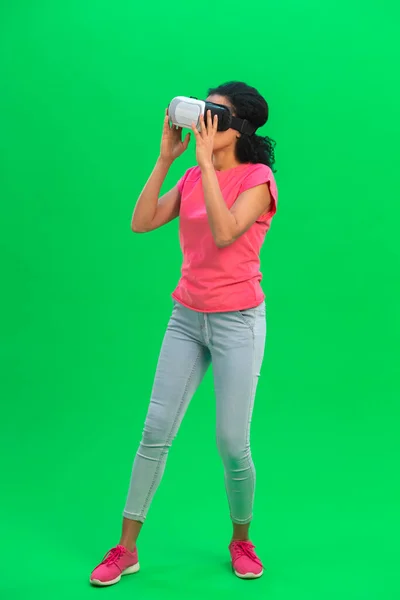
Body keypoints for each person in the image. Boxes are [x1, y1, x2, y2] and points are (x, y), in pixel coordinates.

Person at [90, 81, 278, 586]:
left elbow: (223, 232)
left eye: (213, 113)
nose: (202, 119)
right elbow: (141, 220)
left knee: (232, 443)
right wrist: (166, 160)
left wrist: (209, 169)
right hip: (186, 317)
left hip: (239, 321)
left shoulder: (258, 179)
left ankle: (241, 539)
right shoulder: (194, 174)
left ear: (237, 126)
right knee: (154, 432)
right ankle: (125, 549)